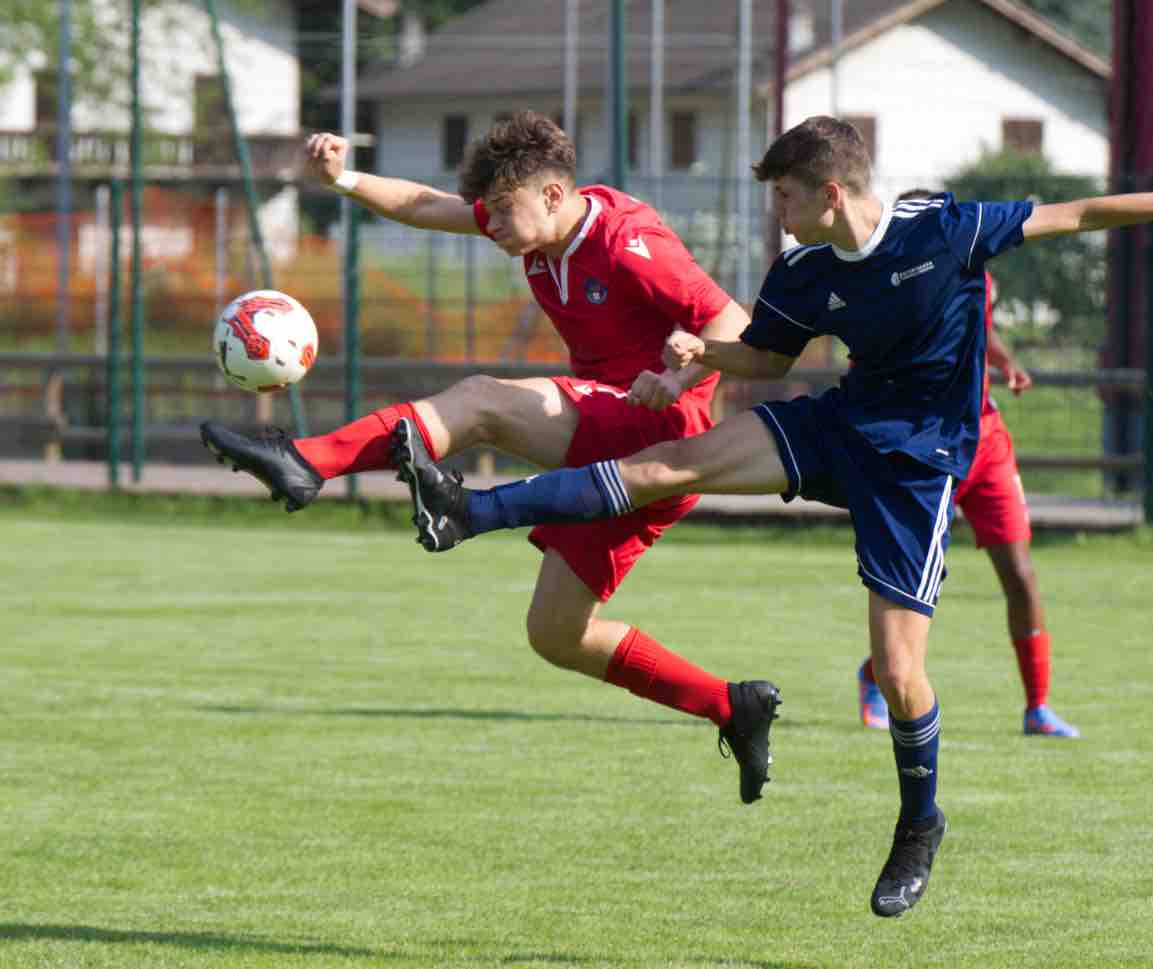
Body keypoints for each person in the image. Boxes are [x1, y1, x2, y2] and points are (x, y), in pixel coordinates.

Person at [387, 116, 1153, 917]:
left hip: (921, 463)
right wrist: (697, 354)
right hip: (841, 422)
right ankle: (471, 508)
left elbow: (1085, 214)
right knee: (667, 463)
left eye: (782, 195)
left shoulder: (944, 228)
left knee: (901, 674)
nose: (774, 213)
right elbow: (762, 361)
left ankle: (919, 821)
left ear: (827, 191)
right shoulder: (804, 267)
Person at [198, 111, 782, 806]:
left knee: (480, 402)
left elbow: (733, 321)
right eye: (491, 211)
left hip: (658, 426)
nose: (492, 224)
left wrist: (682, 372)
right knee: (557, 635)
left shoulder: (627, 239)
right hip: (624, 452)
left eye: (504, 210)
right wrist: (343, 178)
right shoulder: (532, 226)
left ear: (556, 194)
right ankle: (730, 704)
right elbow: (424, 204)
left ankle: (307, 461)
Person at [857, 190, 1077, 737]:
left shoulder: (969, 260)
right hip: (929, 444)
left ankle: (1038, 707)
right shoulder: (894, 284)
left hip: (988, 439)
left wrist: (1004, 362)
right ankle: (875, 674)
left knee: (1021, 575)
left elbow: (980, 320)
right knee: (915, 587)